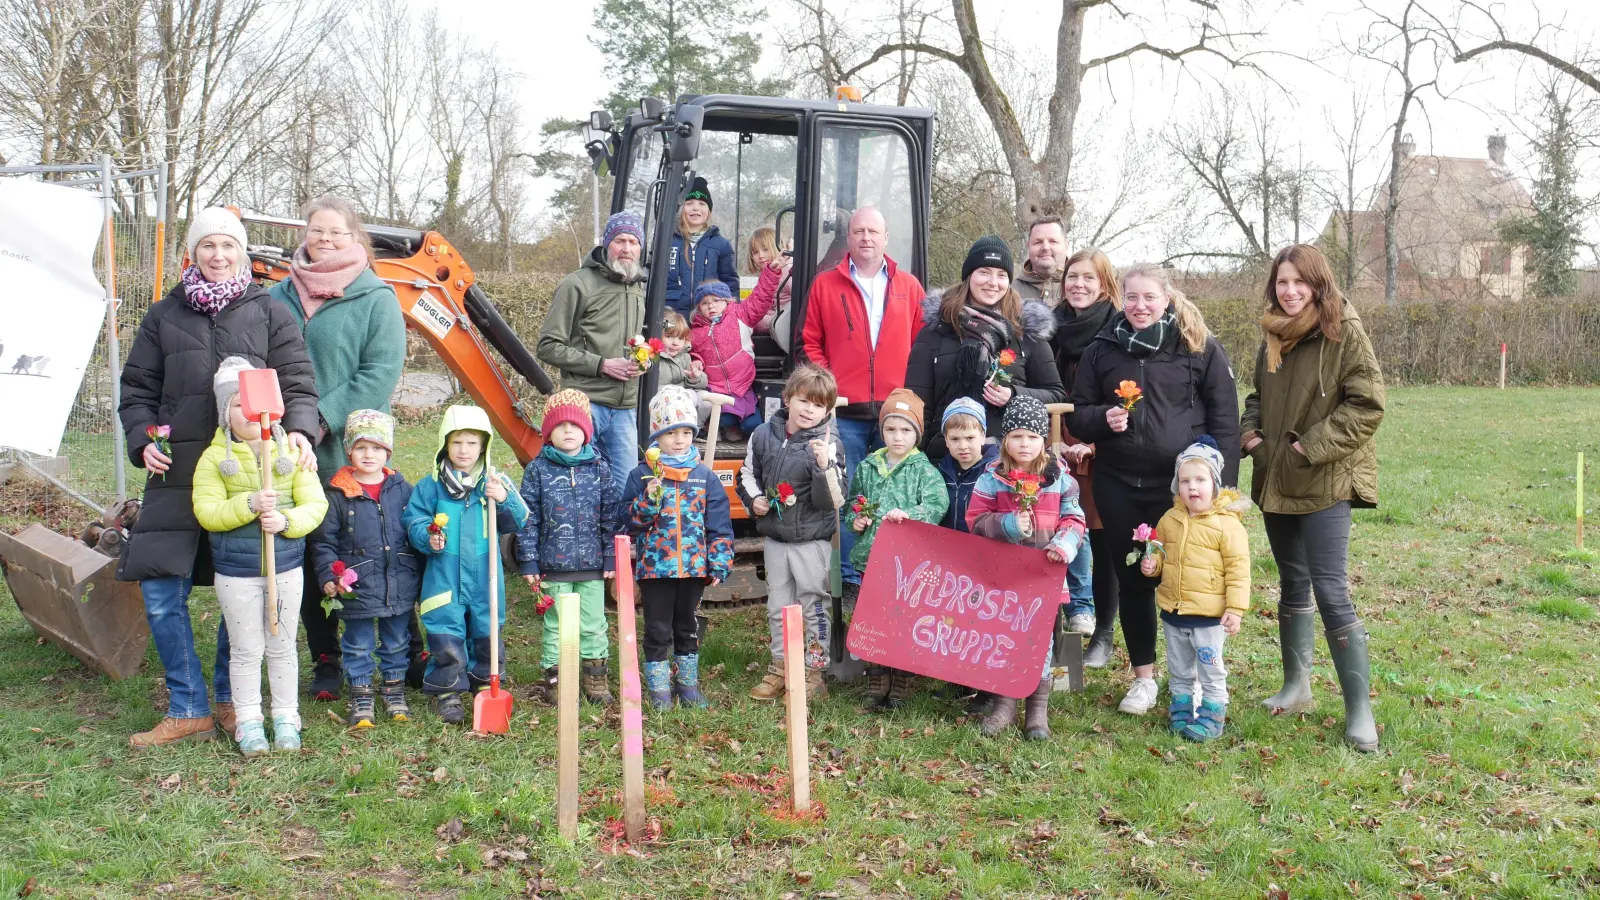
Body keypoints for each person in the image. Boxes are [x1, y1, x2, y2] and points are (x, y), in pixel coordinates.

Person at [117, 207, 319, 748]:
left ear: (242, 253)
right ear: (193, 252)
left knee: (244, 589)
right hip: (178, 469)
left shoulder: (270, 312)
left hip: (247, 474)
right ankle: (188, 706)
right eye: (208, 245)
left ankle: (233, 701)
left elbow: (298, 381)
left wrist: (301, 430)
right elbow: (137, 389)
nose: (219, 255)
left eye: (229, 245)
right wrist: (144, 439)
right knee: (162, 590)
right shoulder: (163, 315)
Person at [1067, 263, 1239, 717]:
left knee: (1189, 581)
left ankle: (1196, 679)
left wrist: (1223, 489)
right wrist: (1102, 417)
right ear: (1120, 298)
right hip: (1119, 484)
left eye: (1149, 297)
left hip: (1179, 490)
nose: (1140, 306)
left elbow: (1226, 417)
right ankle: (1144, 678)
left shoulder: (1197, 346)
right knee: (1135, 580)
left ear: (1166, 298)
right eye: (1131, 297)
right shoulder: (1102, 349)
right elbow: (1078, 414)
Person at [1242, 244, 1386, 752]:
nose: (1290, 291)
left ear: (1318, 284)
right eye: (1282, 282)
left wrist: (1309, 447)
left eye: (1299, 282)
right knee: (1292, 581)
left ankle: (1359, 710)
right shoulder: (1273, 334)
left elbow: (1367, 405)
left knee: (1330, 589)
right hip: (1277, 477)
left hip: (1326, 478)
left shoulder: (1343, 330)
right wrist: (1252, 438)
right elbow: (1256, 396)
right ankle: (1296, 686)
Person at [269, 194, 407, 703]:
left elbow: (379, 373)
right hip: (287, 447)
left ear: (355, 239)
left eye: (336, 232)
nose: (324, 239)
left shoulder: (376, 298)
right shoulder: (278, 295)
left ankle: (398, 651)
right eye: (317, 230)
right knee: (308, 552)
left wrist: (319, 419)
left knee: (368, 547)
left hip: (349, 448)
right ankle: (325, 656)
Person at [192, 358, 329, 756]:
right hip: (236, 573)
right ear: (225, 413)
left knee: (282, 646)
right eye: (237, 405)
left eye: (253, 403)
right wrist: (249, 504)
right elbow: (207, 512)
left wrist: (286, 520)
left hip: (285, 568)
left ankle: (286, 717)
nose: (249, 412)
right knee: (246, 650)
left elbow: (315, 505)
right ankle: (249, 721)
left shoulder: (291, 453)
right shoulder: (213, 460)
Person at [801, 207, 927, 603]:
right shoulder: (825, 284)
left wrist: (909, 394)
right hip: (846, 411)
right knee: (850, 493)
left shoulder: (909, 286)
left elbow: (922, 344)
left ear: (885, 237)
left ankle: (892, 575)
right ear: (849, 238)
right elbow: (811, 341)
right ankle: (850, 579)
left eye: (873, 231)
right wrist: (829, 388)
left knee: (897, 495)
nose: (866, 238)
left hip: (895, 414)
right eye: (858, 231)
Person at [964, 396, 1087, 740]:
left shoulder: (1060, 479)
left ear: (1042, 439)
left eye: (1032, 437)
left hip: (1044, 575)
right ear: (1005, 439)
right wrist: (1008, 525)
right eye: (1016, 436)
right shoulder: (992, 479)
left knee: (1039, 642)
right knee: (1005, 635)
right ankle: (1004, 705)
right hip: (1004, 576)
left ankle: (1037, 710)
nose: (1024, 444)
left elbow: (1075, 519)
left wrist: (1063, 544)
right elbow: (975, 520)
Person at [404, 405, 530, 724]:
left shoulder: (494, 483)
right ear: (445, 444)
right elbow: (414, 520)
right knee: (445, 629)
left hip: (485, 574)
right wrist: (427, 536)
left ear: (484, 445)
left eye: (472, 443)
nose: (464, 450)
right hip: (444, 574)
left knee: (486, 628)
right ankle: (448, 688)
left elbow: (519, 520)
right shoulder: (431, 486)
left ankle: (485, 680)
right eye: (457, 442)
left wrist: (504, 499)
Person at [737, 365, 846, 702]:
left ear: (827, 411)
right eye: (803, 400)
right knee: (778, 605)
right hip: (775, 539)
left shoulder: (829, 445)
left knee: (813, 605)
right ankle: (781, 667)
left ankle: (814, 672)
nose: (809, 410)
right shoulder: (762, 435)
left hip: (811, 542)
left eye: (818, 405)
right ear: (787, 399)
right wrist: (754, 499)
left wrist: (823, 467)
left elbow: (833, 500)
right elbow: (747, 474)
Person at [621, 386, 735, 710]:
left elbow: (719, 524)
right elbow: (630, 521)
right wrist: (648, 500)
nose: (680, 440)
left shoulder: (704, 477)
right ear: (657, 435)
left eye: (686, 432)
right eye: (672, 432)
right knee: (657, 628)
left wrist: (719, 560)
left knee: (687, 627)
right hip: (656, 569)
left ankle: (687, 686)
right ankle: (659, 690)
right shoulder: (642, 475)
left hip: (693, 568)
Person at [905, 235, 1066, 461]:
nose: (993, 282)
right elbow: (917, 404)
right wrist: (916, 460)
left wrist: (1014, 395)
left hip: (1007, 459)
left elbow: (1056, 395)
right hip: (945, 457)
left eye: (1001, 275)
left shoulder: (1025, 330)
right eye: (984, 272)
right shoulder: (937, 329)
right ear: (969, 276)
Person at [308, 409, 419, 728]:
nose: (369, 455)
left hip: (397, 581)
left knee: (397, 640)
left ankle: (394, 689)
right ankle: (361, 693)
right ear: (349, 451)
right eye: (361, 447)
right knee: (357, 643)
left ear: (388, 451)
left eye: (377, 447)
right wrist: (329, 575)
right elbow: (324, 543)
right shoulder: (337, 494)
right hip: (355, 586)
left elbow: (415, 531)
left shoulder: (403, 489)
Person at [514, 390, 621, 707]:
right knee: (557, 626)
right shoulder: (537, 470)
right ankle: (557, 681)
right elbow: (527, 518)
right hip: (553, 566)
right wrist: (528, 561)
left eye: (575, 425)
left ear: (586, 430)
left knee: (593, 624)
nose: (568, 431)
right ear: (549, 433)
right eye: (560, 426)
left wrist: (610, 555)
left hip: (592, 565)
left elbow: (610, 515)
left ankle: (595, 680)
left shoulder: (599, 468)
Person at [1141, 437, 1250, 742]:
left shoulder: (1227, 525)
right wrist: (1153, 564)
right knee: (1179, 668)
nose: (1192, 487)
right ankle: (1181, 709)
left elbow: (1239, 570)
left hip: (1208, 617)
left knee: (1210, 669)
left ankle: (1213, 716)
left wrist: (1235, 609)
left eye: (1200, 480)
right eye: (1185, 481)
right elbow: (1161, 551)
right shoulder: (1170, 519)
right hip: (1174, 611)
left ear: (1215, 484)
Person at [848, 389, 949, 709]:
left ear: (917, 433)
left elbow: (937, 504)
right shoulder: (868, 467)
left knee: (904, 616)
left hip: (908, 564)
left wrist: (910, 515)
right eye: (890, 429)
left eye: (906, 429)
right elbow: (854, 502)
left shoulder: (923, 470)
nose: (898, 436)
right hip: (871, 557)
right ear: (882, 431)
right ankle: (877, 675)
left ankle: (903, 677)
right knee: (874, 616)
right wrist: (856, 519)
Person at [538, 211, 649, 494]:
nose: (626, 248)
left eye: (633, 242)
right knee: (577, 491)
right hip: (585, 405)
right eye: (620, 240)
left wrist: (643, 360)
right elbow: (548, 347)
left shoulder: (638, 287)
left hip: (625, 409)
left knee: (624, 493)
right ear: (607, 243)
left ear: (641, 248)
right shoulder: (577, 284)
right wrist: (602, 365)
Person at [1048, 248, 1123, 664]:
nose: (1078, 285)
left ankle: (1102, 632)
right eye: (1072, 276)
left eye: (1088, 278)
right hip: (1055, 445)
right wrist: (1052, 440)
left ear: (1104, 285)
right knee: (1053, 532)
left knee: (1100, 537)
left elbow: (1126, 396)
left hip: (1100, 446)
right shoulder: (1049, 327)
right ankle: (1055, 630)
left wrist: (1092, 444)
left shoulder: (1118, 329)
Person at [689, 279, 776, 441]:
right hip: (716, 389)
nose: (711, 306)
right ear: (699, 308)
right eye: (704, 303)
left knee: (753, 425)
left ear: (727, 301)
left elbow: (760, 297)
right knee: (726, 419)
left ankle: (731, 426)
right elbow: (693, 352)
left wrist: (772, 272)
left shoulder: (740, 315)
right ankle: (722, 425)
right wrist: (696, 360)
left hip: (742, 387)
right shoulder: (696, 331)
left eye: (716, 300)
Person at [664, 177, 739, 316]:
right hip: (672, 317)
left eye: (702, 203)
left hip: (707, 318)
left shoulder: (721, 245)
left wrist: (731, 315)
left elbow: (730, 284)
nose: (696, 208)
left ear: (709, 211)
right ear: (680, 208)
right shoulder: (667, 241)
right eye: (689, 203)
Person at [935, 397, 998, 534]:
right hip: (945, 542)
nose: (963, 446)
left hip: (981, 544)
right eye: (955, 439)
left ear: (982, 436)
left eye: (969, 438)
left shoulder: (996, 473)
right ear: (946, 440)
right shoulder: (939, 473)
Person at [748, 226, 795, 341]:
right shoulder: (766, 275)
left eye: (765, 249)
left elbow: (803, 301)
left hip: (783, 325)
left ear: (778, 248)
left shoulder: (787, 272)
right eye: (756, 252)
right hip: (772, 319)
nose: (761, 256)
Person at [1014, 215, 1069, 307]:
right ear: (1028, 246)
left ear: (1066, 245)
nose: (1045, 247)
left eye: (1053, 241)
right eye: (1038, 242)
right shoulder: (1010, 291)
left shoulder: (1084, 287)